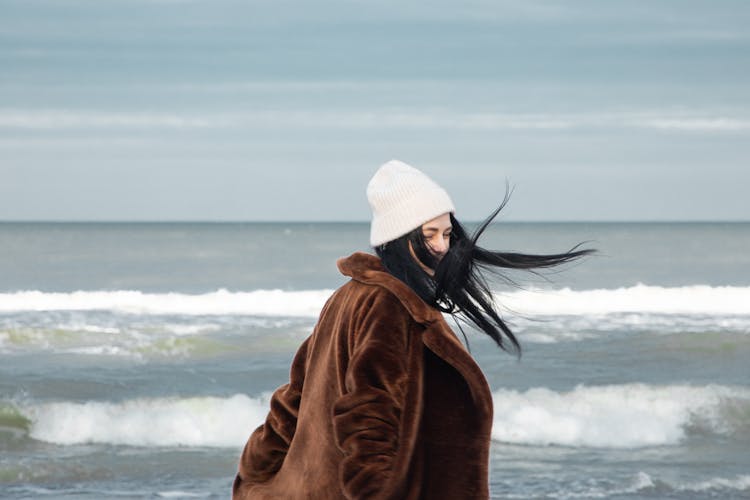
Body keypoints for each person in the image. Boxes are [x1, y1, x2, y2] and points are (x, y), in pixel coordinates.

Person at [233, 160, 593, 499]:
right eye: (429, 235)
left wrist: (256, 467)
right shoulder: (390, 305)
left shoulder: (349, 296)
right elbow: (367, 418)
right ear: (397, 239)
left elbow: (294, 397)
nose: (441, 247)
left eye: (448, 234)